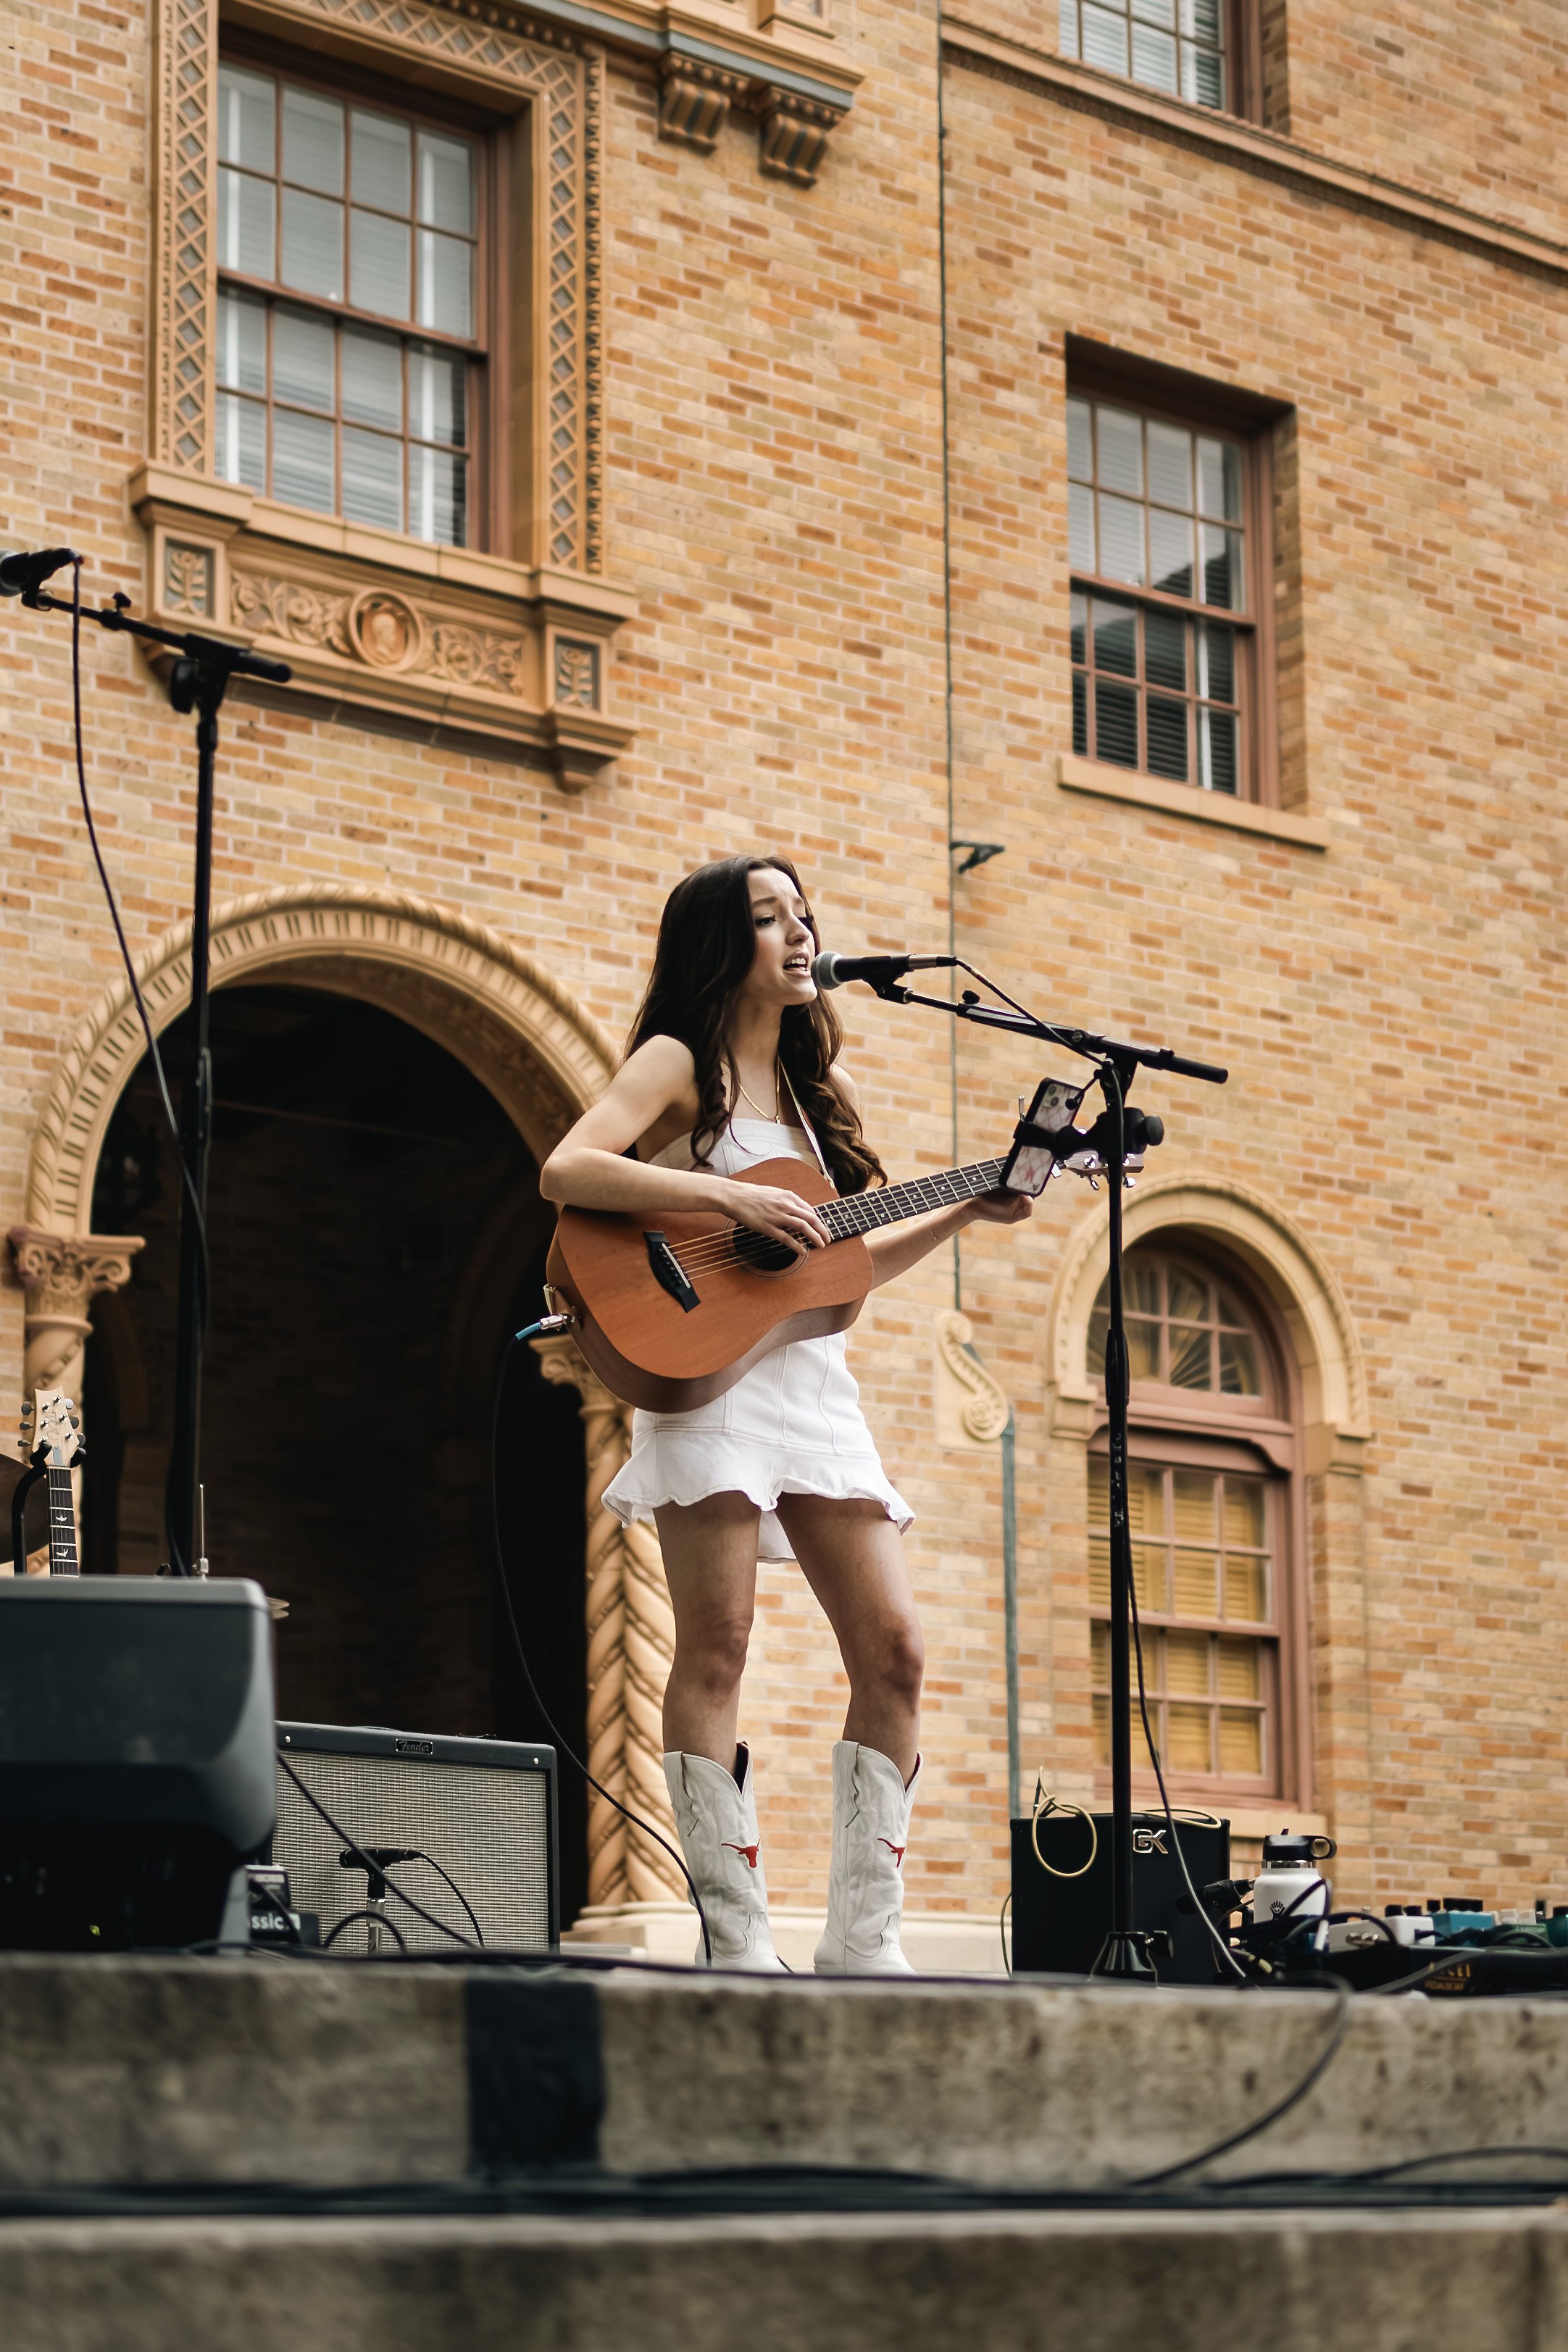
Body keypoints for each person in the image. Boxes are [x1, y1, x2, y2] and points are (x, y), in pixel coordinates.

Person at [540, 855, 1030, 1972]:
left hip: (813, 1393)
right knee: (716, 1646)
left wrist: (968, 1206)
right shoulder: (679, 1063)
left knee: (897, 1650)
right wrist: (726, 1192)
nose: (801, 935)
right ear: (722, 943)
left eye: (805, 915)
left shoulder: (814, 1107)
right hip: (708, 1384)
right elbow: (567, 1170)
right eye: (770, 918)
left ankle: (865, 1939)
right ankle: (736, 1934)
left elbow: (835, 1273)